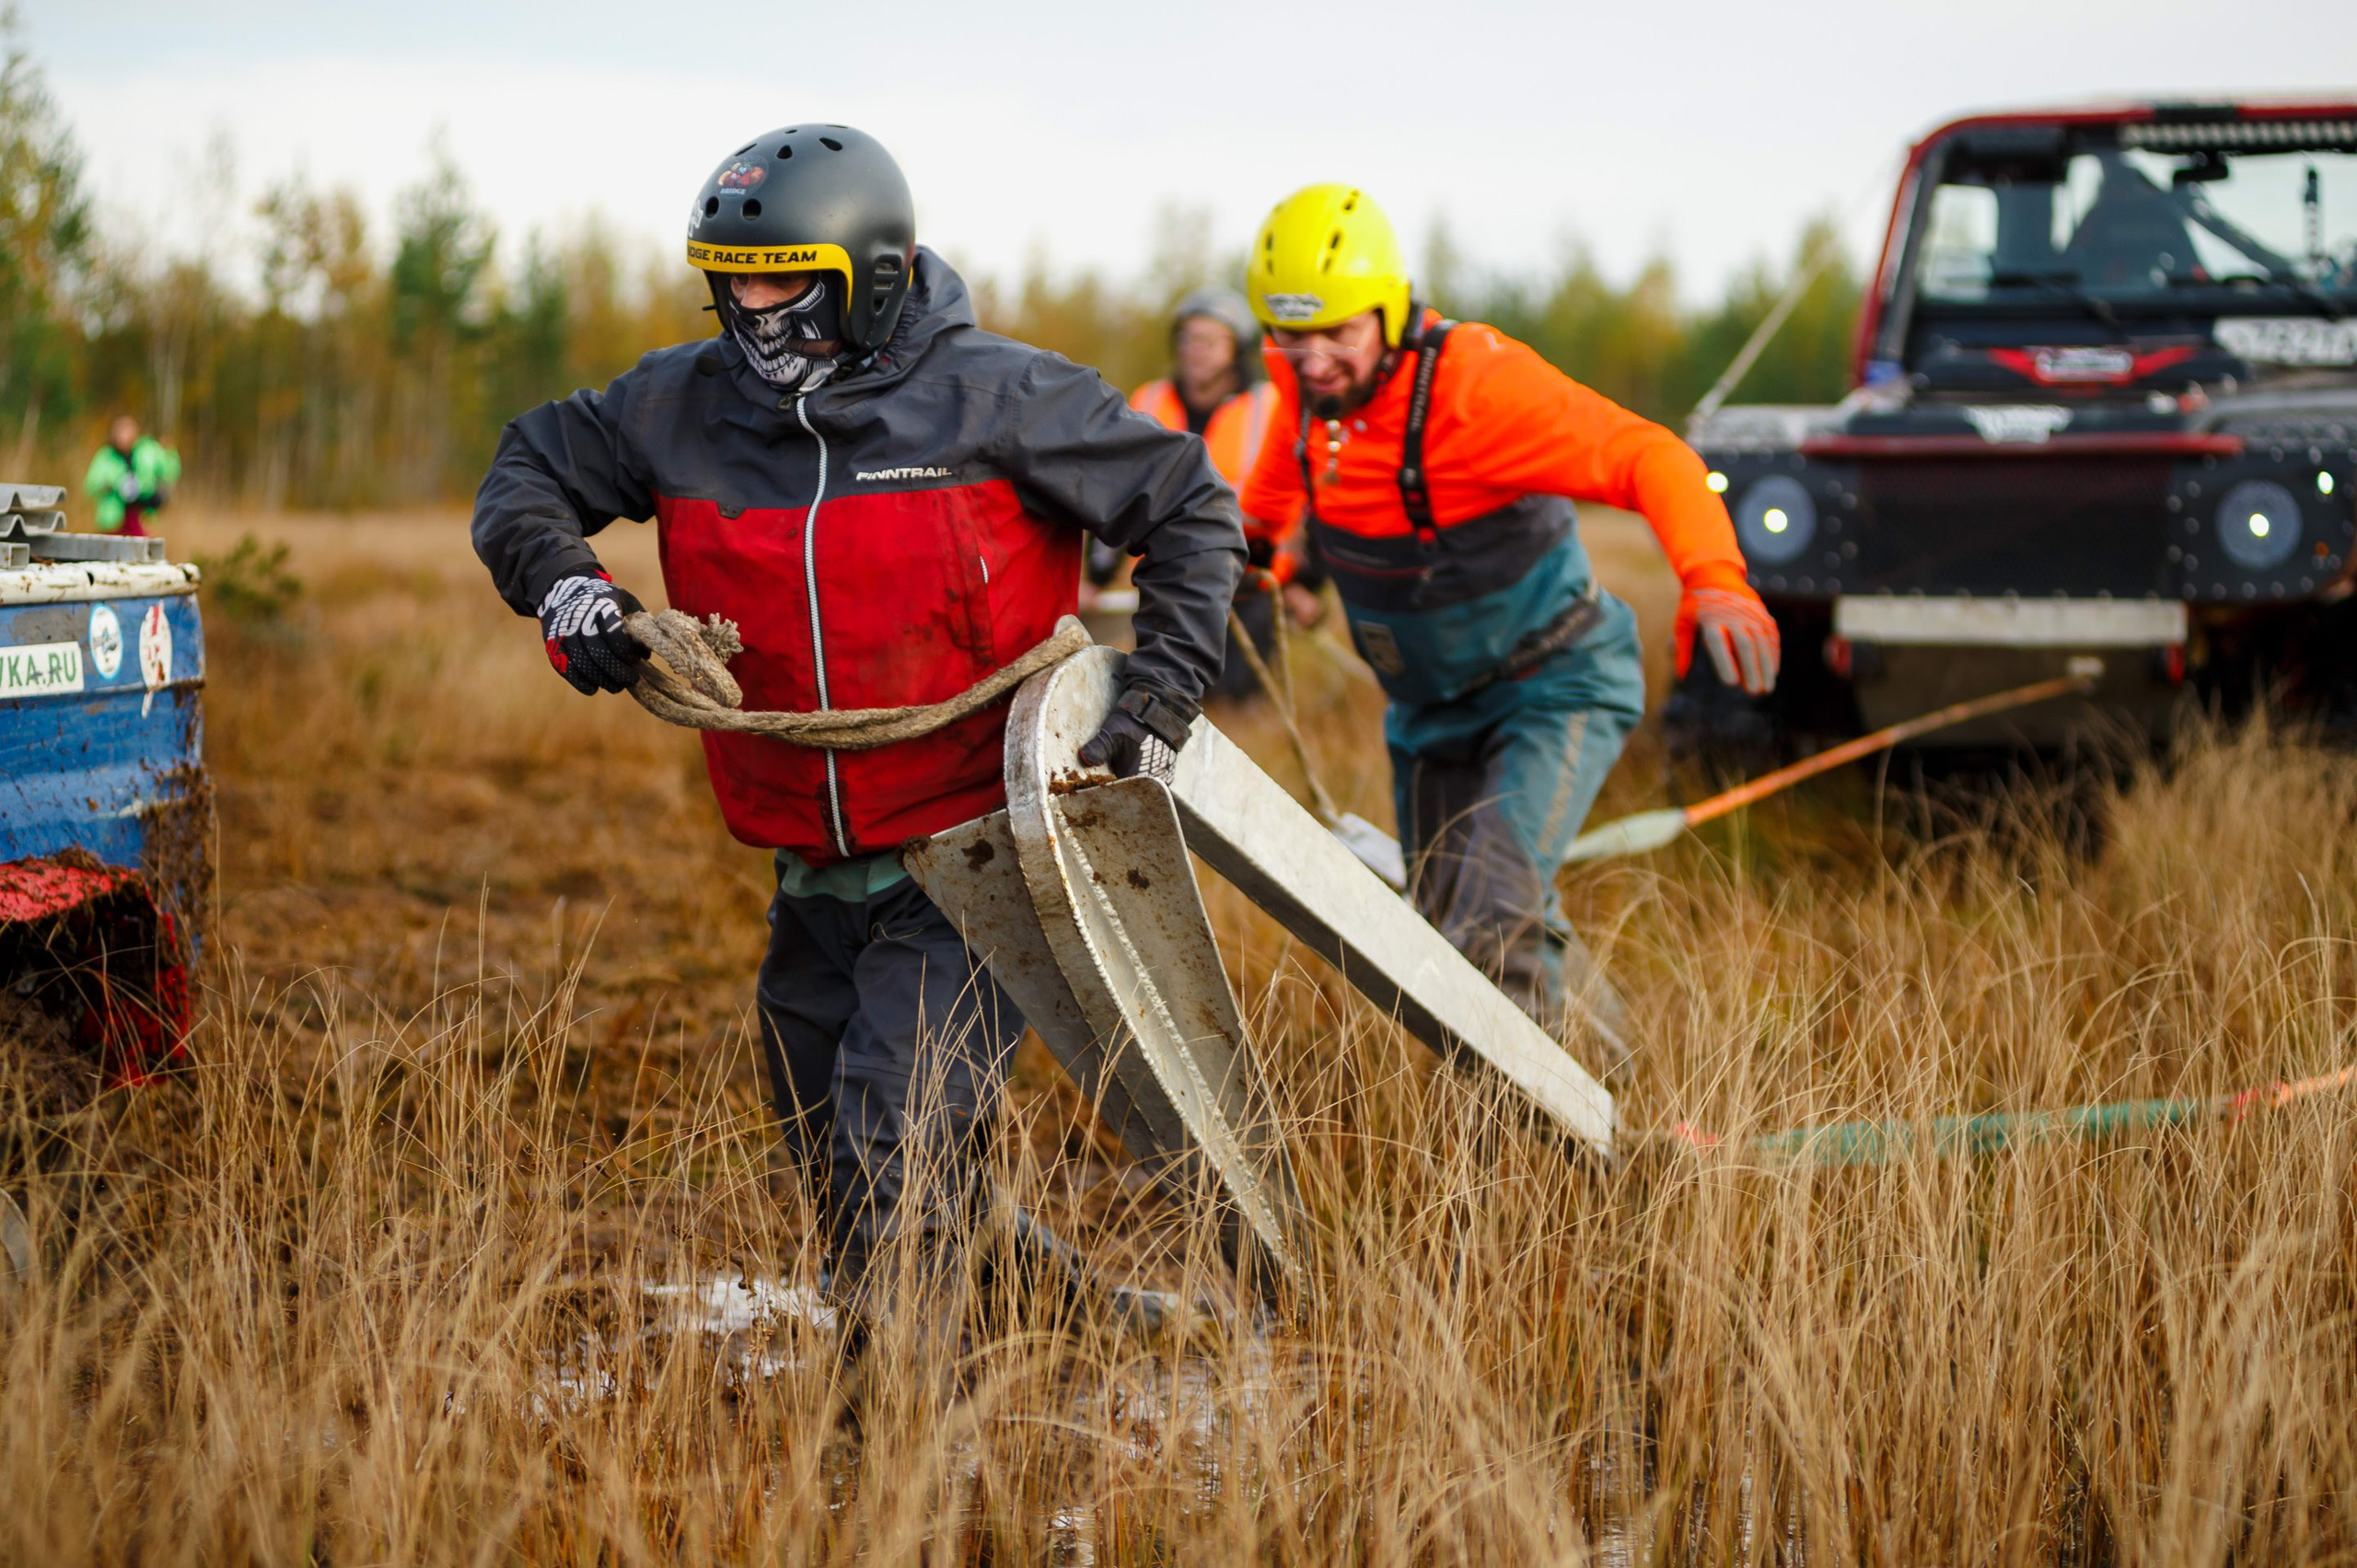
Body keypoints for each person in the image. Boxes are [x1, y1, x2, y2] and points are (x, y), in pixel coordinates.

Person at [471, 126, 1243, 1319]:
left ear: (871, 272)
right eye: (732, 281)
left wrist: (1162, 687)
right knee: (840, 1156)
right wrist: (570, 584)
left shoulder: (1003, 396)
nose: (752, 308)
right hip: (807, 858)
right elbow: (526, 467)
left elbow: (1191, 506)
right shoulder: (682, 405)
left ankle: (901, 1458)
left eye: (783, 279)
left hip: (981, 856)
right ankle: (1059, 1319)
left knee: (897, 1133)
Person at [1237, 184, 1781, 1061]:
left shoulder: (1477, 389)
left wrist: (1715, 579)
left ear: (1389, 307)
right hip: (1429, 713)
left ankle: (1579, 1139)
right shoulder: (1306, 385)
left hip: (1553, 683)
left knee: (1495, 907)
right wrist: (1260, 553)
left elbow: (1651, 456)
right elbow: (1276, 484)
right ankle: (1613, 1079)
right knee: (1450, 937)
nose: (1314, 361)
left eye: (1338, 332)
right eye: (1292, 337)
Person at [1095, 289, 1280, 698]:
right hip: (1169, 579)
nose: (1196, 351)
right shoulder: (1150, 400)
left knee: (1241, 711)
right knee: (1168, 698)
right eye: (1189, 339)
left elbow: (1303, 496)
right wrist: (1096, 576)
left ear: (1237, 349)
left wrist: (1304, 580)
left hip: (1250, 583)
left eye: (1210, 341)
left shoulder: (1269, 407)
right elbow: (1115, 491)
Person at [82, 416, 180, 536]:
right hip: (113, 519)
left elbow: (169, 471)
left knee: (141, 550)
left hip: (142, 516)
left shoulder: (147, 451)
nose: (123, 436)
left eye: (127, 431)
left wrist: (170, 452)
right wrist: (109, 486)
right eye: (120, 431)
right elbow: (91, 485)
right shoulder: (105, 456)